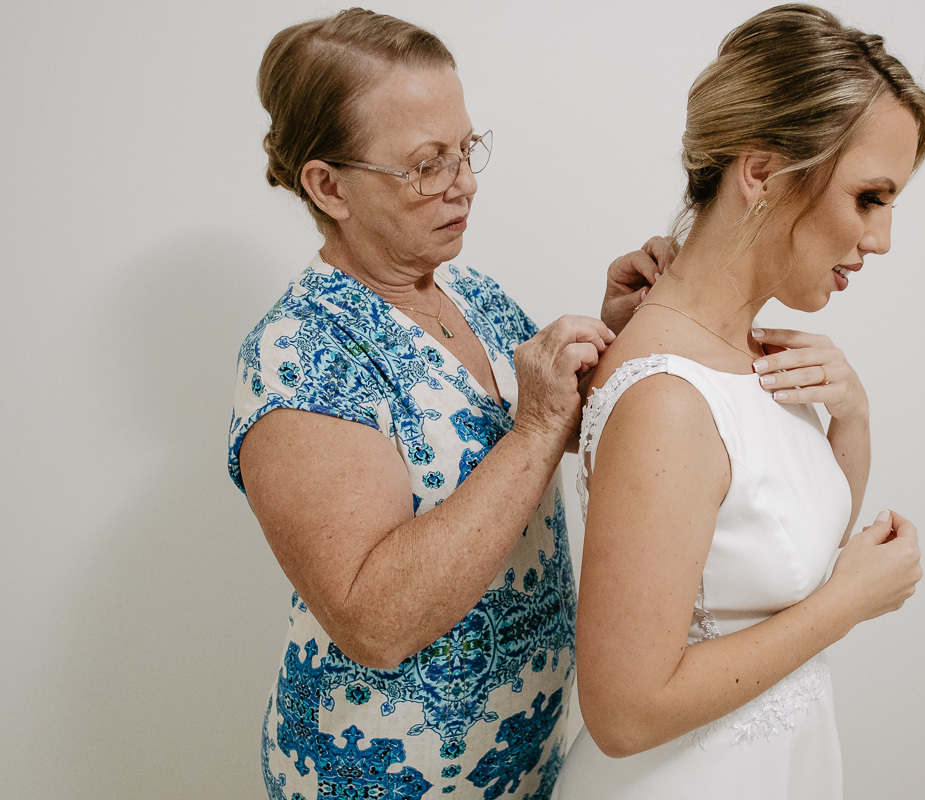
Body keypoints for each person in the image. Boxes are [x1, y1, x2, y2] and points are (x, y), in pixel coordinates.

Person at [228, 10, 671, 799]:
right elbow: (374, 622)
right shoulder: (298, 358)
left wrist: (617, 331)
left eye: (467, 150)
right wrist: (535, 426)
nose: (464, 182)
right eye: (427, 164)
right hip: (379, 780)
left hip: (522, 763)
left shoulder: (464, 288)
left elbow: (543, 424)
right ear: (329, 186)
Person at [553, 5, 925, 798]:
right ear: (760, 173)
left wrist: (852, 418)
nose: (884, 239)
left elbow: (782, 554)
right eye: (870, 197)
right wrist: (847, 604)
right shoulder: (666, 398)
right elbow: (623, 712)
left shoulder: (749, 354)